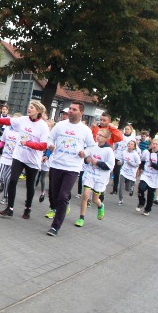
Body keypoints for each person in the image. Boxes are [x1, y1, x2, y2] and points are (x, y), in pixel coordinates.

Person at [0, 100, 50, 219]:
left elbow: (43, 146)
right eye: (29, 106)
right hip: (19, 156)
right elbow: (8, 121)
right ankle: (10, 208)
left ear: (38, 111)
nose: (29, 109)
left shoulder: (43, 126)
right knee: (12, 180)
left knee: (30, 185)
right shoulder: (23, 119)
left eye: (32, 107)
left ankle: (27, 208)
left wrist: (28, 143)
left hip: (32, 160)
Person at [44, 101, 96, 237]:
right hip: (57, 164)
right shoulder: (60, 125)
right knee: (54, 195)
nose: (70, 111)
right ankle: (63, 205)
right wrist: (50, 145)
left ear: (81, 112)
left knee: (63, 195)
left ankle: (55, 226)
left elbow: (92, 146)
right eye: (70, 109)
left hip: (72, 167)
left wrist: (84, 153)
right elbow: (50, 138)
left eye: (74, 109)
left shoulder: (85, 130)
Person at [74, 128, 114, 227]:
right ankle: (81, 218)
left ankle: (100, 205)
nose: (98, 136)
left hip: (100, 177)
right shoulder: (93, 146)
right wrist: (86, 159)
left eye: (100, 135)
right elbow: (85, 158)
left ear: (106, 138)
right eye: (97, 134)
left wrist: (98, 163)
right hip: (90, 174)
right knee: (85, 195)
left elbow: (110, 166)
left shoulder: (109, 150)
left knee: (95, 200)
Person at [0, 115, 21, 206]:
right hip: (5, 156)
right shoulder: (7, 129)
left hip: (14, 159)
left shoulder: (22, 132)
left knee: (8, 178)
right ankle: (4, 184)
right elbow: (3, 142)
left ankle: (5, 197)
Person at [136, 137, 158, 216]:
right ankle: (141, 202)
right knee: (141, 188)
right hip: (146, 174)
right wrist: (141, 168)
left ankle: (147, 209)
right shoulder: (146, 152)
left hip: (154, 176)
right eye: (153, 144)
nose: (154, 146)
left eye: (156, 144)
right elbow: (142, 161)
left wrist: (153, 165)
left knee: (150, 194)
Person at [111, 125, 136, 195]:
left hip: (126, 158)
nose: (126, 130)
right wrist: (112, 150)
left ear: (131, 131)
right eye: (126, 129)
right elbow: (115, 145)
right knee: (116, 172)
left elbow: (134, 149)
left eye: (128, 129)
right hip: (118, 156)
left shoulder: (132, 139)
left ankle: (130, 185)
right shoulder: (120, 136)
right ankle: (115, 189)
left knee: (126, 173)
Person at [117, 139, 141, 205]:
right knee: (120, 185)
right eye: (129, 144)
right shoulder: (124, 152)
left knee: (127, 188)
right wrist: (120, 162)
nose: (129, 145)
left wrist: (130, 163)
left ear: (134, 147)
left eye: (131, 144)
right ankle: (120, 199)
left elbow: (138, 164)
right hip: (123, 171)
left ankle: (131, 188)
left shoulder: (135, 154)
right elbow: (122, 160)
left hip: (131, 173)